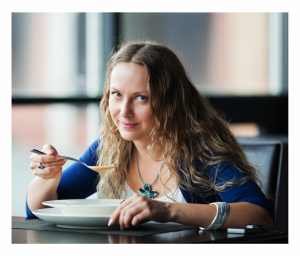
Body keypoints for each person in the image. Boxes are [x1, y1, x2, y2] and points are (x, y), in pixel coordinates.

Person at [27, 41, 273, 231]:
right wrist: (48, 178)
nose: (124, 112)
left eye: (141, 97)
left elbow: (260, 215)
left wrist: (168, 211)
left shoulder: (202, 149)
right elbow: (37, 213)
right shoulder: (109, 148)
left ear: (170, 101)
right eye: (117, 95)